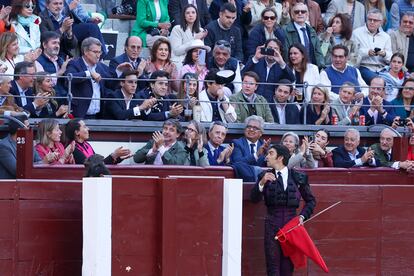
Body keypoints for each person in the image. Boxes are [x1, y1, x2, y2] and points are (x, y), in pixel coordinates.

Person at [250, 143, 316, 276]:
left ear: (280, 158)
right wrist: (262, 182)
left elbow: (311, 201)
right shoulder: (264, 175)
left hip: (291, 227)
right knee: (273, 266)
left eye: (271, 153)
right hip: (272, 225)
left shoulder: (299, 177)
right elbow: (254, 199)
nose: (266, 157)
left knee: (287, 266)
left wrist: (302, 217)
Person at [64, 37, 113, 119]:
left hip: (97, 115)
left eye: (99, 52)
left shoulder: (101, 67)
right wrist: (89, 73)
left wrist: (119, 71)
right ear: (85, 51)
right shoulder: (74, 64)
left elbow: (112, 84)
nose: (98, 55)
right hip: (79, 115)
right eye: (95, 52)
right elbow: (69, 78)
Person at [242, 38, 294, 103]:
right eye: (269, 48)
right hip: (253, 100)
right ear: (264, 49)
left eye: (275, 49)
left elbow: (292, 79)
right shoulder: (255, 60)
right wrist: (255, 58)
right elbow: (242, 74)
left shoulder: (282, 66)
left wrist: (281, 62)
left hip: (273, 103)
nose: (272, 51)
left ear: (280, 52)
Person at [65, 118, 132, 165]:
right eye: (85, 127)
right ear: (77, 132)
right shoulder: (73, 148)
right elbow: (92, 166)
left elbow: (99, 162)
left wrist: (118, 158)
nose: (88, 129)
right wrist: (113, 155)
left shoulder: (86, 144)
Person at [352, 9, 392, 84]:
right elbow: (352, 53)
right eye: (370, 19)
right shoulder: (357, 33)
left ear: (381, 22)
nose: (372, 22)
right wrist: (367, 52)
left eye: (375, 20)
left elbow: (390, 58)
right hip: (364, 67)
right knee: (379, 82)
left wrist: (384, 54)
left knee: (393, 82)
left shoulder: (386, 37)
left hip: (382, 69)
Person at [283, 2, 324, 69]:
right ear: (292, 15)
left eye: (303, 11)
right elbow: (286, 52)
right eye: (297, 12)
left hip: (312, 68)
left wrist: (321, 67)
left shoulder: (312, 31)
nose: (300, 13)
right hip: (295, 68)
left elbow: (318, 52)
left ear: (307, 15)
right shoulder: (285, 30)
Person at [0, 114, 42, 179]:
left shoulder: (28, 142)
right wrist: (39, 163)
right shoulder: (3, 146)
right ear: (19, 129)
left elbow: (39, 161)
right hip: (10, 186)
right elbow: (17, 170)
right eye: (27, 127)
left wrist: (44, 162)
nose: (29, 129)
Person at [230, 115, 271, 180]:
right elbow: (237, 162)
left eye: (255, 128)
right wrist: (256, 155)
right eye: (249, 127)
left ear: (260, 133)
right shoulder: (237, 143)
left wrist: (267, 154)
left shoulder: (264, 146)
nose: (251, 129)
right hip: (242, 180)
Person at [170, 4, 208, 70]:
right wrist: (194, 39)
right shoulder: (177, 29)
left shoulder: (201, 30)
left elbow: (201, 52)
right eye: (187, 13)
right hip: (180, 61)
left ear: (196, 15)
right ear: (184, 16)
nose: (190, 15)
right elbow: (177, 51)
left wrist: (201, 64)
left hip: (196, 61)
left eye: (193, 12)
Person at [35, 31, 70, 99]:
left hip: (64, 97)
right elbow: (41, 81)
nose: (57, 46)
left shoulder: (61, 60)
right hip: (49, 99)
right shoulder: (38, 61)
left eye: (58, 43)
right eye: (54, 43)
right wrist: (61, 72)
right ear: (44, 45)